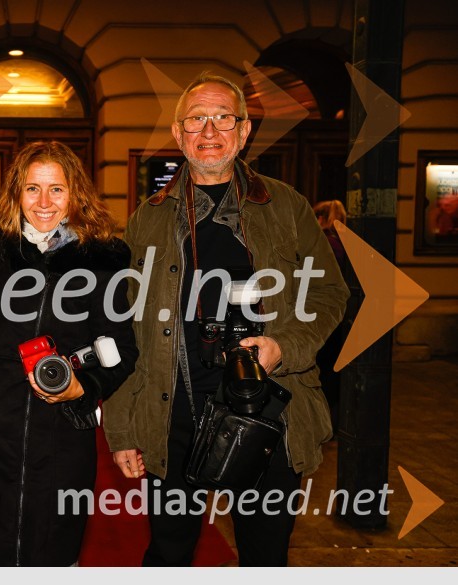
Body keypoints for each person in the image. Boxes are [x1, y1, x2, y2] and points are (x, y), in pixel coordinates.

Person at [103, 72, 349, 566]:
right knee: (169, 555)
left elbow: (329, 292)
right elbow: (126, 327)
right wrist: (124, 429)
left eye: (223, 118)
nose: (210, 131)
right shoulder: (147, 217)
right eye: (197, 119)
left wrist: (285, 346)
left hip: (268, 414)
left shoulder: (286, 207)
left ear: (244, 131)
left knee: (264, 558)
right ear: (178, 134)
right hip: (172, 412)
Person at [0, 141, 138, 566]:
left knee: (54, 550)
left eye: (57, 189)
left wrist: (82, 389)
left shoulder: (103, 261)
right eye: (32, 188)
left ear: (76, 194)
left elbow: (122, 350)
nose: (44, 202)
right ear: (16, 193)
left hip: (62, 437)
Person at [313, 199, 348, 434]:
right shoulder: (345, 244)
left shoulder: (323, 245)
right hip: (340, 319)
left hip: (321, 318)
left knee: (322, 373)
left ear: (321, 219)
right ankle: (333, 423)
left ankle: (322, 424)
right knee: (334, 374)